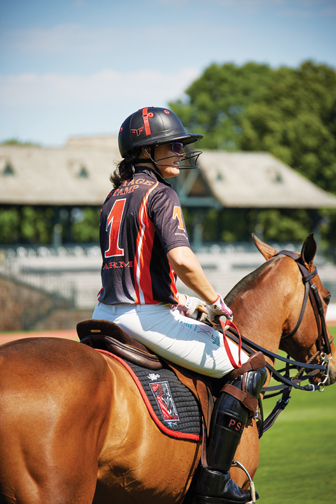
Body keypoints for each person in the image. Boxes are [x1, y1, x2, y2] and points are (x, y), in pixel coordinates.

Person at [93, 106, 266, 504]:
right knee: (247, 366)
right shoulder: (160, 193)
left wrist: (182, 302)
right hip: (144, 319)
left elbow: (135, 268)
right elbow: (182, 260)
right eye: (170, 145)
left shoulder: (113, 196)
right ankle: (216, 482)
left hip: (105, 314)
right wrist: (214, 300)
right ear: (145, 152)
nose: (179, 151)